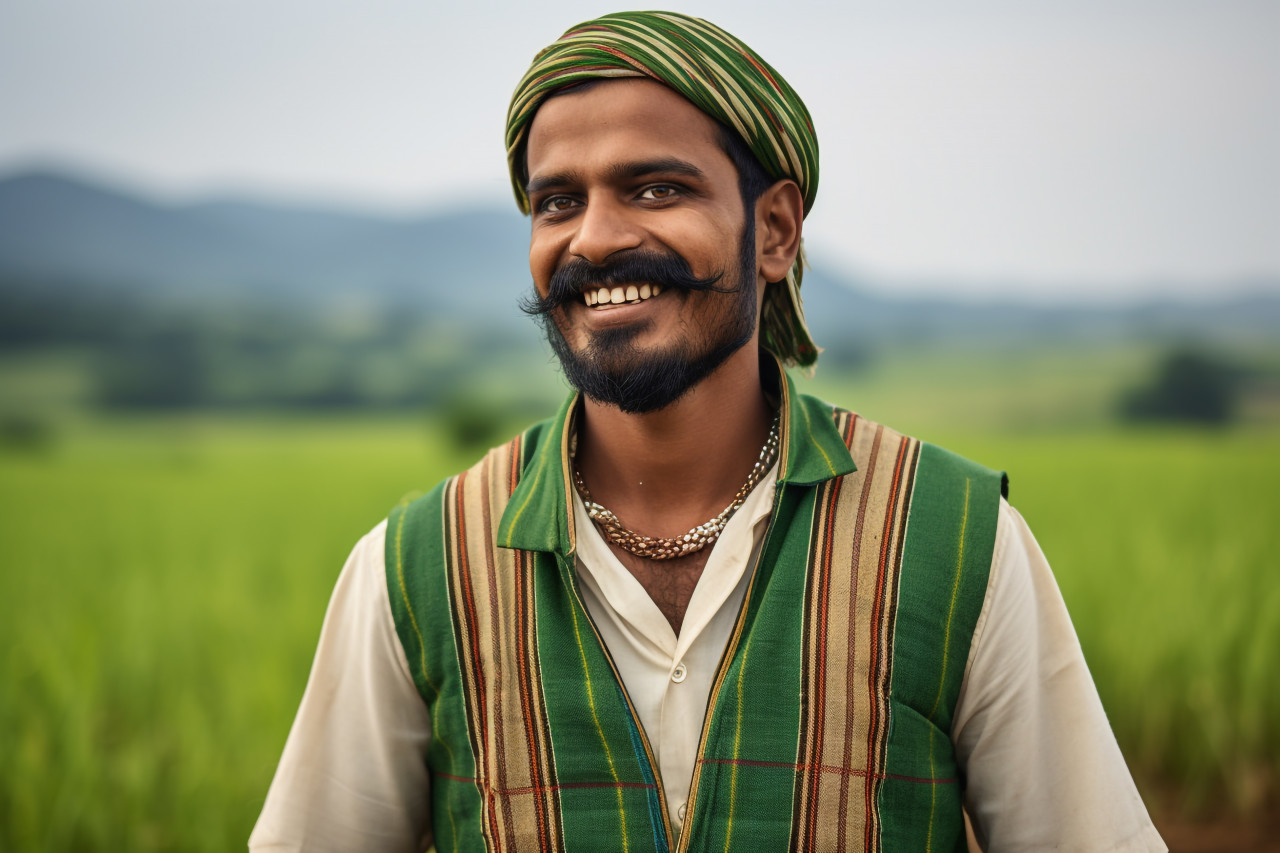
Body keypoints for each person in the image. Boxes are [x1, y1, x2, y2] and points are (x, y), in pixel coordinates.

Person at [250, 11, 1166, 852]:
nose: (594, 239)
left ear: (772, 230)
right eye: (557, 201)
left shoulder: (951, 540)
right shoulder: (417, 567)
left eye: (654, 189)